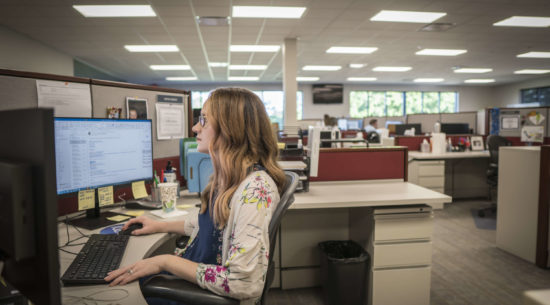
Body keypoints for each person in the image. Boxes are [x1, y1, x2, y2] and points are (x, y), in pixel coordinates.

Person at [105, 88, 286, 304]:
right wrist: (158, 225)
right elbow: (210, 226)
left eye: (204, 120)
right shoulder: (231, 179)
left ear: (230, 129)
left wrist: (165, 262)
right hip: (192, 281)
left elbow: (242, 283)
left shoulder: (255, 191)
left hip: (206, 295)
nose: (195, 127)